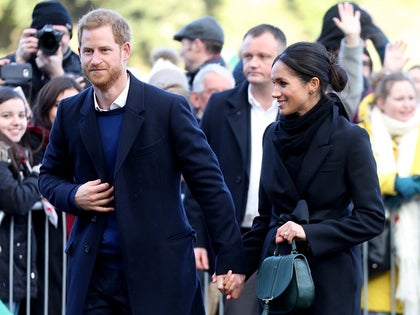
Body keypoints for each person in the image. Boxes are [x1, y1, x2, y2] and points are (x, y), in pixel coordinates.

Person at [38, 8, 247, 315]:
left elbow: (210, 186)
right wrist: (73, 195)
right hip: (94, 270)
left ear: (125, 51)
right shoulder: (70, 112)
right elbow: (49, 176)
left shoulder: (167, 108)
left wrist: (229, 258)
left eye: (104, 50)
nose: (95, 60)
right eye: (87, 51)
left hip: (160, 270)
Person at [237, 41, 385, 315]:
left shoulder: (350, 138)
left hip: (331, 280)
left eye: (282, 83)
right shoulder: (271, 136)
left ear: (312, 84)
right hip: (278, 278)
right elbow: (266, 217)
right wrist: (236, 268)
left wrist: (309, 232)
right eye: (273, 83)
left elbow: (372, 218)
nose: (275, 93)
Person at [183, 24, 287, 315]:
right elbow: (197, 174)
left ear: (282, 58)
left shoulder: (293, 104)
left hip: (284, 233)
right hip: (236, 236)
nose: (253, 63)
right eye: (247, 55)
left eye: (263, 56)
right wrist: (198, 238)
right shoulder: (220, 104)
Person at [358, 72, 420, 315]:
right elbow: (360, 177)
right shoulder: (363, 133)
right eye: (399, 98)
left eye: (411, 97)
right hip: (376, 246)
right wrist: (393, 184)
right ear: (381, 101)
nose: (407, 104)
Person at [28, 75, 82, 315]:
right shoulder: (33, 139)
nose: (67, 109)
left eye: (73, 101)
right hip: (44, 236)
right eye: (59, 104)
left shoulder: (89, 137)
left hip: (79, 235)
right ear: (46, 106)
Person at [0, 86, 40, 315]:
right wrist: (37, 177)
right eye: (6, 115)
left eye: (21, 115)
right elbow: (15, 199)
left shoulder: (16, 151)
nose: (16, 122)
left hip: (12, 267)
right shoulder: (1, 152)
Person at [1, 1, 85, 103]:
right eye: (46, 34)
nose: (53, 38)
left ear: (70, 36)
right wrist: (19, 63)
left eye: (60, 33)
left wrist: (58, 76)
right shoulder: (7, 64)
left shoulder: (83, 68)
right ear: (32, 35)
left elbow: (80, 111)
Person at [173, 16, 226, 88]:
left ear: (197, 45)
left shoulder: (207, 86)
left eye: (183, 44)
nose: (181, 52)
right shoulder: (224, 79)